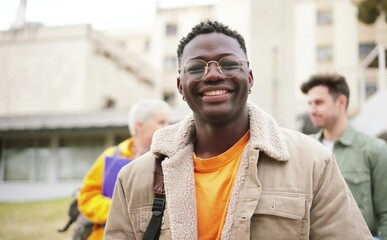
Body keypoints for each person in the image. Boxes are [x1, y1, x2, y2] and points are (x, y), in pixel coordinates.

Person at [105, 20, 372, 239]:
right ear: (180, 87)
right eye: (196, 67)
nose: (212, 74)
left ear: (250, 78)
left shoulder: (313, 163)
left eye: (229, 64)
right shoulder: (135, 178)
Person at [300, 73, 387, 240]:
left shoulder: (375, 150)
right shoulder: (305, 149)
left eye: (318, 102)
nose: (312, 110)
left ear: (341, 102)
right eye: (310, 103)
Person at [77, 99, 171, 240]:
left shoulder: (170, 159)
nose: (168, 127)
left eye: (168, 123)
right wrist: (124, 210)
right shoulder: (112, 156)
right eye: (161, 122)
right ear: (139, 125)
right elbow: (86, 199)